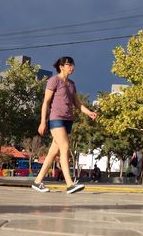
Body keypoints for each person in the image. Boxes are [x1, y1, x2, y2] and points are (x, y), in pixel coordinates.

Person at [31, 56, 98, 194]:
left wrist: (89, 112)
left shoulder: (72, 84)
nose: (71, 67)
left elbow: (77, 103)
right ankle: (69, 184)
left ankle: (37, 182)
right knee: (65, 147)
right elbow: (46, 102)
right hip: (56, 119)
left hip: (68, 120)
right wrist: (43, 121)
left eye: (72, 64)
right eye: (68, 65)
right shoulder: (54, 80)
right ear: (61, 66)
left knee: (52, 152)